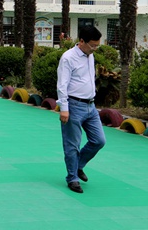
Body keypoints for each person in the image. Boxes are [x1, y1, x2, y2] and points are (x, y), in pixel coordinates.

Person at [56, 25, 106, 194]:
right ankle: (72, 178)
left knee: (99, 141)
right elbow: (62, 84)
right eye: (92, 45)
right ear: (82, 41)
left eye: (97, 45)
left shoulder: (90, 55)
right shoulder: (68, 58)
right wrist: (64, 108)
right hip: (74, 105)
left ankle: (78, 165)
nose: (95, 48)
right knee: (72, 145)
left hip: (91, 106)